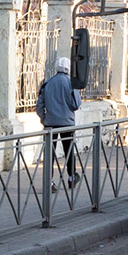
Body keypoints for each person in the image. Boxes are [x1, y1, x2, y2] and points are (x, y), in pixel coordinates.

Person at [37, 56, 82, 185]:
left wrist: (44, 119)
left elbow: (39, 106)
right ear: (68, 69)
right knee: (69, 150)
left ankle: (49, 181)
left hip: (50, 123)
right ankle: (71, 177)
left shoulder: (47, 83)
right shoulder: (71, 84)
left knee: (49, 153)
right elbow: (76, 104)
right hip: (67, 123)